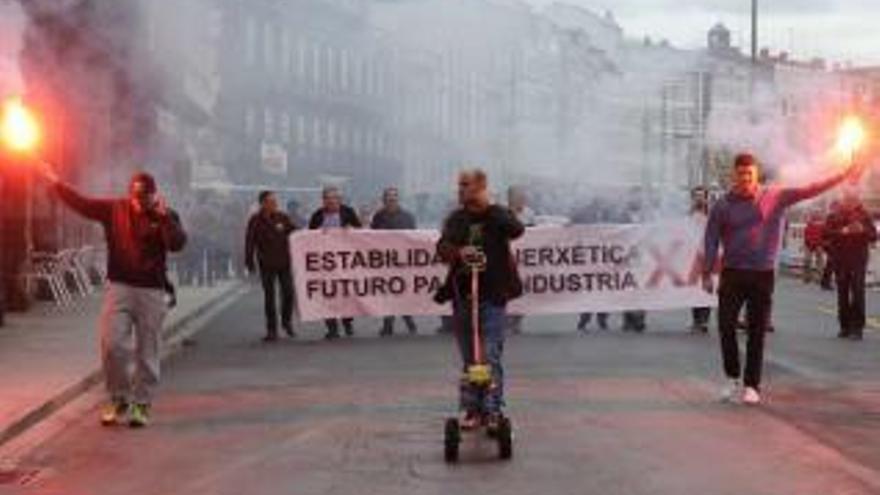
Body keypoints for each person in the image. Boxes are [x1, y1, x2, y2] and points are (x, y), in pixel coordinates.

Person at [703, 153, 863, 405]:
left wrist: (843, 173)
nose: (745, 178)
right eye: (741, 174)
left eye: (749, 174)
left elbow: (811, 189)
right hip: (732, 273)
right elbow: (711, 238)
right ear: (734, 175)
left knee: (757, 331)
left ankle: (752, 385)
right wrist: (707, 272)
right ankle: (732, 376)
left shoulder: (776, 196)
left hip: (762, 274)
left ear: (756, 175)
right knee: (725, 327)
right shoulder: (722, 205)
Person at [37, 163, 187, 427]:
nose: (140, 203)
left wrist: (164, 218)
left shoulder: (166, 215)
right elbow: (82, 204)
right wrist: (55, 183)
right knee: (112, 344)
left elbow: (177, 244)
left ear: (154, 195)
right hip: (119, 286)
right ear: (130, 195)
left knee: (147, 349)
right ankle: (118, 397)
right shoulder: (114, 210)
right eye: (136, 198)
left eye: (146, 198)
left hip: (152, 290)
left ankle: (141, 403)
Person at [435, 169, 524, 430]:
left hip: (492, 296)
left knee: (489, 355)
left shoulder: (496, 216)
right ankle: (471, 408)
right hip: (463, 295)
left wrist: (490, 206)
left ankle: (493, 409)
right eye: (459, 185)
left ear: (479, 187)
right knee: (470, 357)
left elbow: (516, 230)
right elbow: (442, 248)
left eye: (465, 185)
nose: (460, 190)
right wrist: (459, 252)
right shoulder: (456, 219)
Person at [309, 186, 362, 339]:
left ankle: (347, 322)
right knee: (327, 294)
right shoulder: (317, 215)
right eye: (328, 198)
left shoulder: (348, 212)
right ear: (323, 200)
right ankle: (332, 327)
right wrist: (318, 232)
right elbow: (308, 237)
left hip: (345, 261)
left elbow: (360, 231)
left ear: (340, 200)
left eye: (335, 198)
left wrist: (351, 229)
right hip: (324, 263)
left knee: (346, 293)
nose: (331, 201)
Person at [824, 191, 877, 340]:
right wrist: (843, 231)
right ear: (843, 200)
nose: (850, 202)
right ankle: (844, 326)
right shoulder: (834, 215)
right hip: (840, 259)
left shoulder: (865, 215)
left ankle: (857, 328)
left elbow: (873, 236)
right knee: (842, 293)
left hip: (858, 259)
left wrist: (862, 230)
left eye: (853, 199)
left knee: (858, 292)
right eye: (848, 199)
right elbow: (826, 233)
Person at [245, 190, 297, 342]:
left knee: (288, 293)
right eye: (271, 202)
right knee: (269, 297)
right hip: (266, 263)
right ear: (262, 203)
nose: (274, 204)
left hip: (284, 262)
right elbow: (250, 242)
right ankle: (271, 329)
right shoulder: (255, 220)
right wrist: (249, 262)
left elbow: (295, 232)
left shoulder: (282, 217)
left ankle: (286, 322)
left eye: (275, 201)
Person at [370, 187, 418, 336]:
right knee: (387, 293)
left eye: (394, 196)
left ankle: (408, 320)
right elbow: (371, 237)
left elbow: (415, 237)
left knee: (401, 292)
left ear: (398, 199)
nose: (391, 199)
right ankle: (388, 324)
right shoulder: (378, 216)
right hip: (384, 261)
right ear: (384, 200)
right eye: (388, 197)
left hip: (403, 261)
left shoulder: (407, 216)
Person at [505, 186, 535, 334]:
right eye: (518, 197)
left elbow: (537, 232)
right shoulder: (502, 213)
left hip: (525, 260)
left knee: (522, 288)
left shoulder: (529, 213)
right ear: (510, 199)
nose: (521, 200)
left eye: (523, 197)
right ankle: (506, 320)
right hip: (506, 258)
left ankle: (516, 321)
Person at [690, 187, 711, 334]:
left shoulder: (712, 214)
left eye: (702, 196)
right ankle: (696, 320)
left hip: (708, 256)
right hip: (692, 257)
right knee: (694, 290)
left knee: (707, 288)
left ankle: (704, 320)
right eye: (696, 196)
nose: (699, 199)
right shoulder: (688, 215)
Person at [802, 210, 826, 284]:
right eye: (815, 213)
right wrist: (806, 243)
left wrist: (821, 244)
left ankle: (819, 277)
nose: (816, 215)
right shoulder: (809, 224)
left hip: (818, 244)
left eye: (817, 213)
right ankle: (807, 277)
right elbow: (806, 235)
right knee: (807, 260)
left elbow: (824, 236)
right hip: (809, 244)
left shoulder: (823, 225)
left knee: (819, 261)